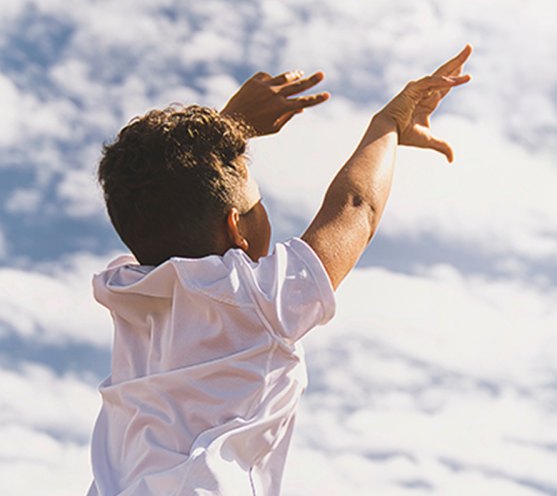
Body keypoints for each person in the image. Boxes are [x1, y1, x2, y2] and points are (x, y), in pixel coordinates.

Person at [87, 46, 472, 496]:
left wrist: (226, 133)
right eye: (259, 202)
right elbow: (355, 208)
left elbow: (162, 200)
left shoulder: (125, 288)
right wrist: (388, 125)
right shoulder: (253, 296)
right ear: (237, 228)